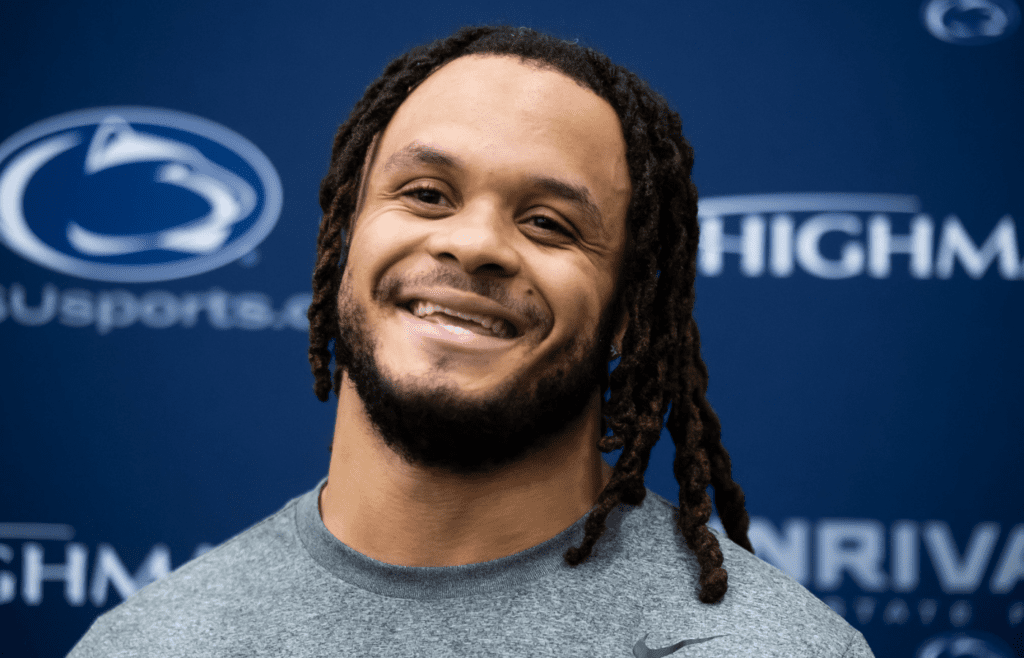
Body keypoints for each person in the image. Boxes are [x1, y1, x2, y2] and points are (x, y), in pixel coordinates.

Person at [68, 26, 874, 657]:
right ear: (345, 238)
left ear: (629, 309)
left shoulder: (750, 650)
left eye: (548, 223)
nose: (475, 243)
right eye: (426, 194)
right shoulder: (153, 644)